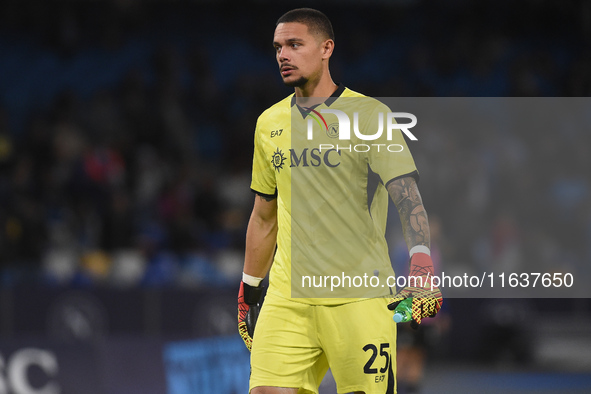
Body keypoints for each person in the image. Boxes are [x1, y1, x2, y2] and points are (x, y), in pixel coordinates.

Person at [237, 8, 442, 394]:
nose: (283, 55)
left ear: (326, 48)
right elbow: (264, 216)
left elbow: (407, 197)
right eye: (278, 47)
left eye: (295, 45)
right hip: (287, 297)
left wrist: (421, 261)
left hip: (360, 298)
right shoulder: (269, 123)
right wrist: (249, 288)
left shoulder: (369, 117)